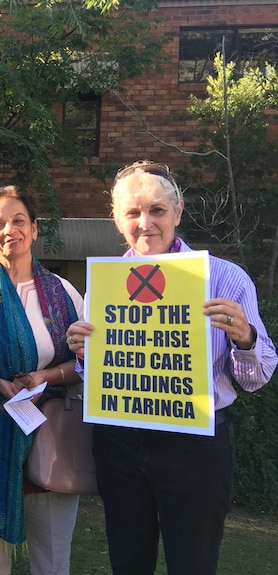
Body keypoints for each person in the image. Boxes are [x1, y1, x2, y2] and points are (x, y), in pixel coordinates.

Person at [65, 160, 278, 575]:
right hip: (121, 441)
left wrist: (245, 338)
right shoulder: (104, 285)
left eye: (157, 210)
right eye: (132, 212)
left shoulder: (225, 279)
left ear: (178, 212)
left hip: (195, 444)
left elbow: (258, 377)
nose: (145, 223)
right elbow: (101, 381)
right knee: (128, 561)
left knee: (193, 563)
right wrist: (85, 356)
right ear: (116, 219)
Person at [0, 186, 83, 574]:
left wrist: (46, 375)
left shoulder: (64, 293)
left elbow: (88, 362)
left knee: (52, 552)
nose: (11, 230)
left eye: (19, 221)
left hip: (50, 433)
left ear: (35, 229)